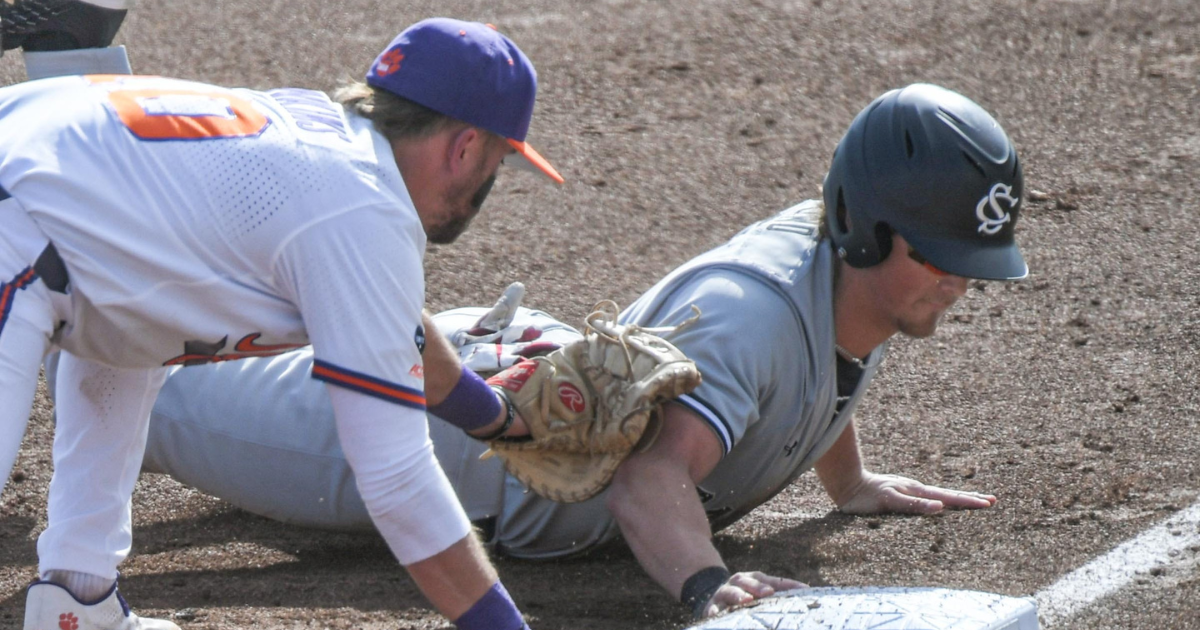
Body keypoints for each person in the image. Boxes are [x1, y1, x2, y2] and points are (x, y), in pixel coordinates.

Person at [63, 82, 1030, 620]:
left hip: (501, 372)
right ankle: (71, 175)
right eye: (943, 257)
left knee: (177, 356)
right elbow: (652, 480)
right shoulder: (753, 312)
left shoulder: (861, 280)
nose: (961, 277)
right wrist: (704, 583)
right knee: (148, 385)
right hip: (461, 441)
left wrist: (846, 480)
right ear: (865, 232)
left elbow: (820, 369)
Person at [0, 3, 563, 629]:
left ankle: (78, 598)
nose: (488, 188)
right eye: (497, 166)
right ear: (465, 148)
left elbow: (393, 328)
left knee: (135, 332)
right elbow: (400, 483)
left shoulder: (316, 141)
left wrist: (498, 421)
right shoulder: (362, 211)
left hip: (39, 194)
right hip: (14, 226)